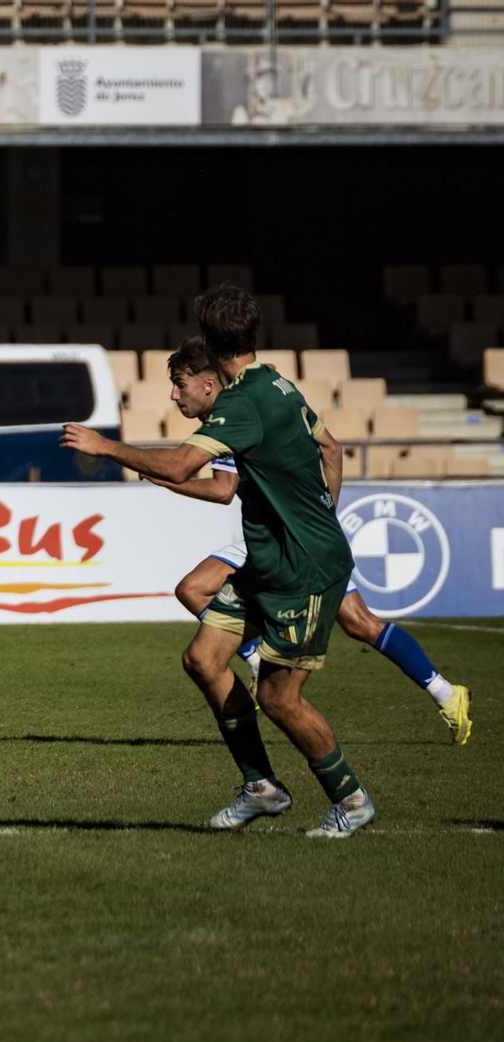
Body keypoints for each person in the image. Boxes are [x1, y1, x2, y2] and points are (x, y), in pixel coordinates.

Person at [61, 284, 374, 838]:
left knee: (277, 697)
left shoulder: (242, 401)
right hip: (270, 563)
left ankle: (351, 800)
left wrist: (105, 447)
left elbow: (183, 465)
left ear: (208, 341)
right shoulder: (278, 383)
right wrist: (321, 511)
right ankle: (262, 787)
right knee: (203, 660)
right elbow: (332, 448)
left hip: (303, 570)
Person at [147, 337, 472, 745]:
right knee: (355, 621)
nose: (174, 396)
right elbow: (331, 450)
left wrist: (168, 481)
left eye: (180, 384)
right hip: (290, 536)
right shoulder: (260, 402)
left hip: (289, 541)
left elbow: (223, 489)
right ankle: (445, 693)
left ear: (209, 382)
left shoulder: (236, 418)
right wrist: (324, 516)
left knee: (199, 590)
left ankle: (444, 693)